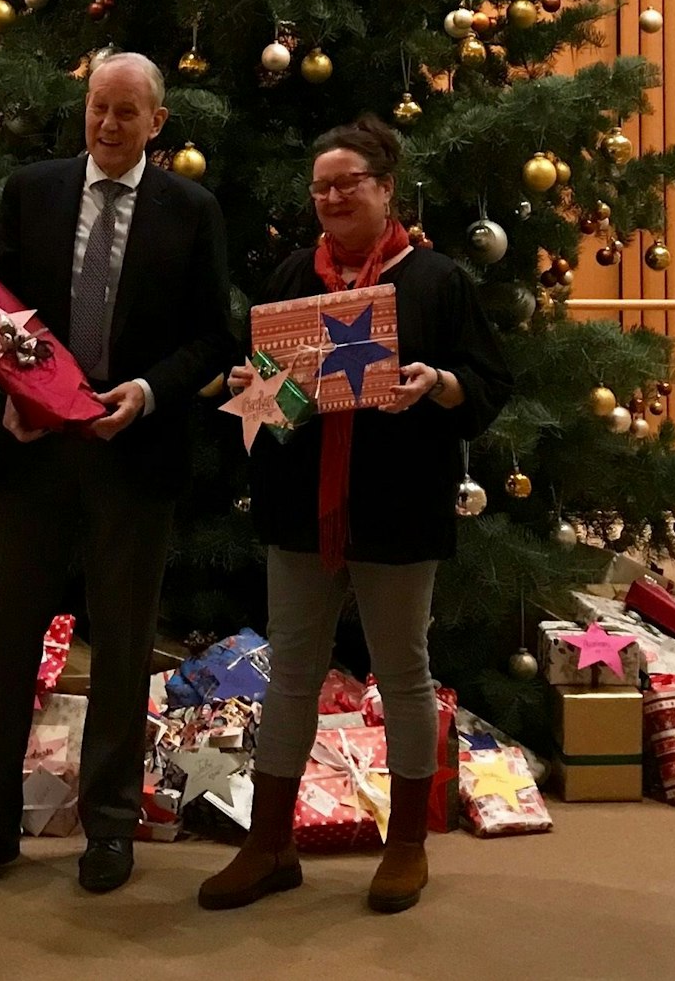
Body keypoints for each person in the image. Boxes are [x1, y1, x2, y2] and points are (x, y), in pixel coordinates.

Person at [0, 52, 237, 894]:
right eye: (98, 107)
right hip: (30, 450)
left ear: (157, 123)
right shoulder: (32, 191)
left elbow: (214, 337)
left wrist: (147, 392)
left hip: (134, 454)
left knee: (123, 643)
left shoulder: (192, 211)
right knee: (5, 641)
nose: (107, 124)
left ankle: (109, 826)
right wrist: (12, 390)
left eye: (126, 112)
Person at [199, 115, 512, 914]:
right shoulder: (290, 275)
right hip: (301, 506)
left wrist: (438, 383)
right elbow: (268, 402)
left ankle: (405, 843)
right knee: (290, 674)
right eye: (321, 188)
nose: (333, 197)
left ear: (386, 187)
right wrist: (250, 386)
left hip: (398, 503)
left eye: (349, 183)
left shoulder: (436, 280)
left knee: (403, 672)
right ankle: (270, 843)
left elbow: (487, 381)